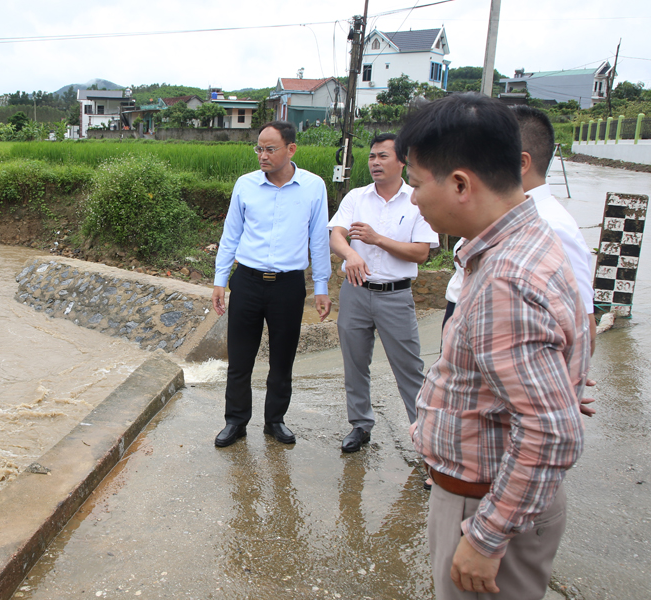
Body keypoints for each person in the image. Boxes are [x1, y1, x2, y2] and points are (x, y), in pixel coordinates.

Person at [398, 93, 589, 600]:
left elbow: (551, 432)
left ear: (460, 183)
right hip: (488, 494)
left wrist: (485, 538)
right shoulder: (527, 239)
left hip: (482, 505)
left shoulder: (507, 277)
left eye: (415, 184)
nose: (412, 199)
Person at [211, 120, 332, 447]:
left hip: (288, 286)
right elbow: (230, 234)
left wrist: (321, 286)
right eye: (259, 149)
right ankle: (235, 422)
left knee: (282, 360)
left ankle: (275, 421)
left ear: (291, 149)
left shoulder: (313, 187)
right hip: (247, 282)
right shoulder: (245, 185)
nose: (262, 155)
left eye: (270, 149)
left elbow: (319, 239)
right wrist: (220, 280)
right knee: (240, 360)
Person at [443, 105, 597, 356]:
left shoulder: (551, 225)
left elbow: (581, 323)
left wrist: (566, 385)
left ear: (521, 163)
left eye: (482, 155)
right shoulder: (500, 213)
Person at [327, 132, 438, 453]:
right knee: (355, 363)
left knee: (409, 369)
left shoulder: (417, 200)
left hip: (395, 296)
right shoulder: (356, 197)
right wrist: (350, 254)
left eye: (383, 156)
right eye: (372, 156)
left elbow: (420, 253)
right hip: (355, 293)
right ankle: (360, 425)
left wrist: (376, 240)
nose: (375, 162)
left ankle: (427, 439)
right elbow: (336, 235)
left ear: (402, 161)